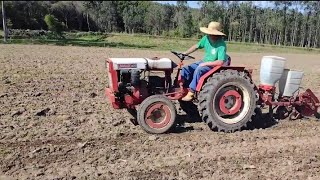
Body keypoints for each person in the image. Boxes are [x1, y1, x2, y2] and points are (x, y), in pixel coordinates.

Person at [181, 21, 228, 101]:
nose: (210, 35)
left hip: (214, 65)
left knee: (199, 70)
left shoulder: (221, 45)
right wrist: (185, 53)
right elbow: (197, 46)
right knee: (186, 69)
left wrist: (205, 63)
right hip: (204, 61)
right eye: (210, 33)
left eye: (213, 33)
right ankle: (183, 88)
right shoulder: (206, 38)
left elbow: (220, 62)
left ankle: (191, 92)